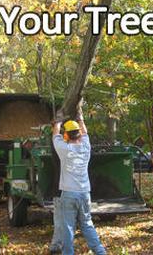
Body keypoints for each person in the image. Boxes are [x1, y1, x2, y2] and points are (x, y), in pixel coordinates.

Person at [50, 108, 106, 255]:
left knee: (68, 227)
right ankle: (100, 252)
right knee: (87, 224)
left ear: (66, 135)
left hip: (68, 194)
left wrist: (58, 121)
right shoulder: (86, 147)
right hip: (85, 193)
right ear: (79, 134)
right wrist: (80, 118)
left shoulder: (64, 149)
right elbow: (85, 133)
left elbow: (55, 134)